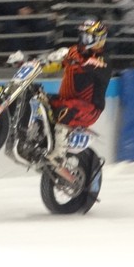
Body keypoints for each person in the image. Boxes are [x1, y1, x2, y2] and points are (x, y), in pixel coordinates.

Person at [42, 19, 111, 161]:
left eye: (86, 38)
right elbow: (56, 65)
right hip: (67, 99)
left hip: (90, 109)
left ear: (98, 40)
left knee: (65, 110)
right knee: (40, 98)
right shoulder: (74, 51)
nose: (82, 41)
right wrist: (40, 63)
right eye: (81, 36)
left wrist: (70, 59)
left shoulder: (103, 60)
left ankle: (59, 154)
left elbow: (90, 64)